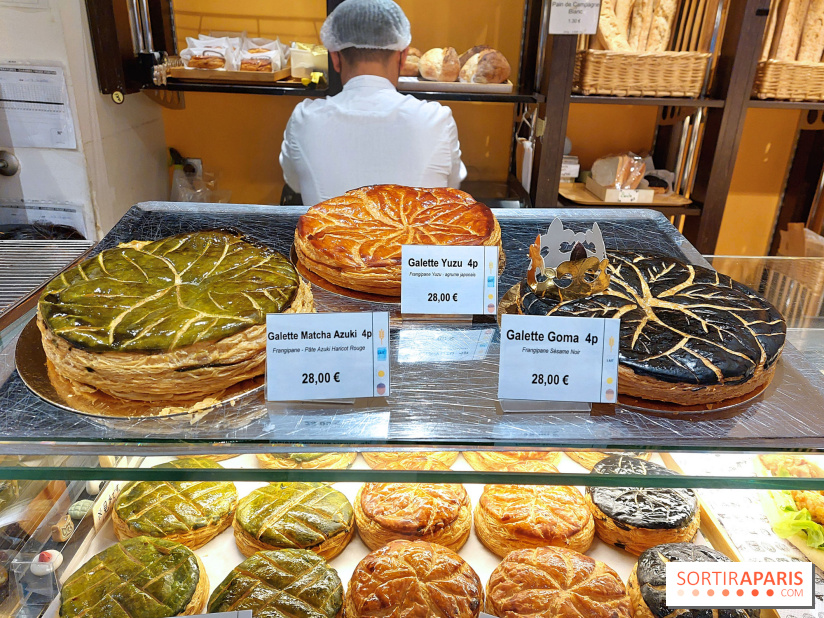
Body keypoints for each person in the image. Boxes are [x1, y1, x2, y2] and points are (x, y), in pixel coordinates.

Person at [279, 0, 467, 206]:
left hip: (328, 238)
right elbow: (451, 189)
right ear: (403, 57)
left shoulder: (305, 120)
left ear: (335, 58)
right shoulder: (437, 120)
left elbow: (295, 184)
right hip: (414, 239)